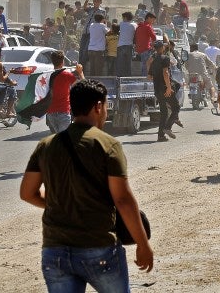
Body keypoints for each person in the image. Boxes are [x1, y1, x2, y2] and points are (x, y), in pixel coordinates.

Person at [20, 80, 153, 291]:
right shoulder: (108, 144)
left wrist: (61, 205)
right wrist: (143, 243)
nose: (106, 112)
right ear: (98, 107)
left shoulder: (46, 145)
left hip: (55, 251)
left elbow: (27, 193)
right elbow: (123, 200)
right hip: (99, 247)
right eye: (107, 106)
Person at [147, 41, 180, 142]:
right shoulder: (165, 58)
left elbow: (149, 77)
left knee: (164, 113)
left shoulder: (153, 60)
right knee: (176, 108)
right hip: (165, 88)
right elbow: (165, 72)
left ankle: (161, 136)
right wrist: (169, 87)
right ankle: (168, 127)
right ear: (162, 48)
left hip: (157, 90)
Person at [46, 50, 84, 133]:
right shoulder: (66, 75)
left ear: (52, 61)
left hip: (50, 113)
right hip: (63, 112)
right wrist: (80, 72)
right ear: (63, 61)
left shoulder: (48, 74)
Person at [116, 12, 136, 77]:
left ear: (125, 18)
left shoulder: (121, 24)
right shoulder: (134, 25)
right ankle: (128, 78)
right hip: (129, 46)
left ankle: (119, 78)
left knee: (120, 64)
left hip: (120, 46)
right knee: (128, 64)